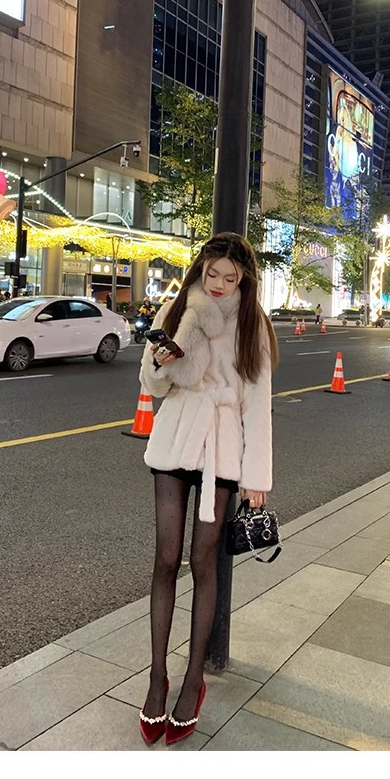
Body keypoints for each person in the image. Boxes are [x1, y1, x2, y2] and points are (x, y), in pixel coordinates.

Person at [137, 232, 278, 746]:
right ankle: (157, 679)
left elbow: (257, 402)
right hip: (176, 436)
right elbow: (152, 386)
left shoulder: (252, 324)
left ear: (243, 280)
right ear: (200, 269)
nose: (218, 284)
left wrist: (256, 477)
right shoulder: (177, 310)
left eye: (229, 278)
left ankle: (193, 680)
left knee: (204, 560)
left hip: (222, 445)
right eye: (211, 273)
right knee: (165, 558)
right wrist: (160, 362)